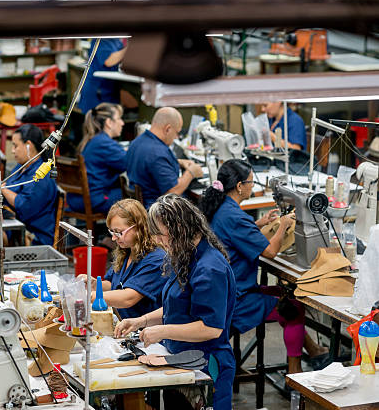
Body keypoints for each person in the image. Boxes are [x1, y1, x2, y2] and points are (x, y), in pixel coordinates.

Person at [199, 159, 327, 374]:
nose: (253, 187)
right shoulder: (236, 217)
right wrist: (283, 225)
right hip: (236, 300)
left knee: (288, 296)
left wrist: (257, 224)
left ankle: (312, 351)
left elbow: (231, 233)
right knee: (294, 308)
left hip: (222, 292)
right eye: (251, 182)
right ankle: (295, 374)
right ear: (239, 186)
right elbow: (269, 252)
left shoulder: (219, 208)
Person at [115, 194, 236, 410]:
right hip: (180, 359)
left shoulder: (210, 269)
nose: (159, 241)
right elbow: (177, 306)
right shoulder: (185, 255)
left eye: (161, 235)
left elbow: (210, 328)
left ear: (180, 228)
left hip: (206, 364)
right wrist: (141, 320)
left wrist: (162, 332)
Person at [79, 199, 168, 319]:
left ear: (138, 228)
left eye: (119, 232)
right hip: (122, 321)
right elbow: (114, 285)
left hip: (143, 330)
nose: (114, 238)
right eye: (112, 232)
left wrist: (88, 296)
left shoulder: (157, 259)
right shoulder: (126, 250)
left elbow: (128, 298)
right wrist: (94, 285)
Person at [0, 124, 57, 246]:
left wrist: (1, 188)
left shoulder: (41, 175)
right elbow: (9, 188)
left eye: (15, 145)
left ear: (28, 145)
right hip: (13, 225)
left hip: (33, 237)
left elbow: (24, 206)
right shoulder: (21, 167)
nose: (12, 150)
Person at [126, 107, 203, 208]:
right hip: (158, 213)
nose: (176, 137)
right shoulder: (157, 152)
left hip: (140, 207)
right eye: (177, 132)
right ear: (168, 129)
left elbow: (149, 164)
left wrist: (178, 162)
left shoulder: (137, 142)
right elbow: (172, 192)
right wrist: (191, 173)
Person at [67, 103, 126, 214]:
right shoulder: (104, 143)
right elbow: (128, 163)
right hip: (96, 200)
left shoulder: (94, 140)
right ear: (109, 122)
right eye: (119, 119)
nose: (122, 123)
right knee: (137, 196)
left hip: (78, 199)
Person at [78, 38, 128, 114]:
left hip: (109, 88)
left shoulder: (117, 40)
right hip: (97, 88)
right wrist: (129, 48)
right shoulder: (101, 39)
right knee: (96, 120)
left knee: (110, 117)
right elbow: (108, 61)